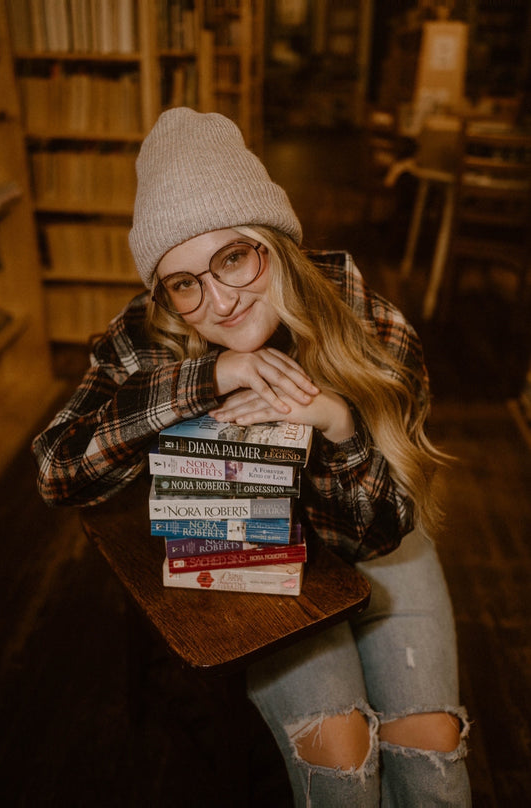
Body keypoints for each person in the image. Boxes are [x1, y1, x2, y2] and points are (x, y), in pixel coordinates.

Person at [32, 107, 471, 806]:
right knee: (342, 755)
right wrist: (207, 376)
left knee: (431, 747)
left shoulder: (366, 318)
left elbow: (377, 532)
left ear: (274, 242)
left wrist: (338, 424)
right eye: (185, 282)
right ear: (165, 292)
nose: (221, 301)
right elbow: (57, 471)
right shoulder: (148, 333)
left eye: (233, 257)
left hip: (378, 538)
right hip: (250, 563)